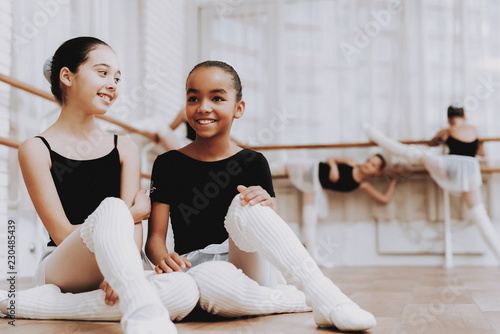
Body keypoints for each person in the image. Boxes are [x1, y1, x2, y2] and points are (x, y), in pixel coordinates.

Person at [146, 60, 377, 332]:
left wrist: (265, 204)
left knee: (247, 204)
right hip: (195, 269)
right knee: (208, 281)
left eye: (217, 97)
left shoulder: (253, 162)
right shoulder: (167, 163)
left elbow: (269, 226)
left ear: (238, 108)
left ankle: (328, 297)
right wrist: (163, 258)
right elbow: (155, 239)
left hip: (248, 265)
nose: (203, 107)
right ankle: (296, 300)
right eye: (193, 98)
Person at [0, 37, 198, 334]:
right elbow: (63, 233)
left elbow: (133, 236)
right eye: (103, 73)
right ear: (67, 76)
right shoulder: (35, 148)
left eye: (117, 77)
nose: (113, 84)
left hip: (117, 265)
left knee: (183, 291)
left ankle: (39, 305)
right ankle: (141, 311)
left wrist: (122, 270)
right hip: (63, 265)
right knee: (113, 208)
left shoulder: (125, 147)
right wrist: (129, 214)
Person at [363, 105, 500, 262]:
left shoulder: (447, 130)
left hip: (448, 166)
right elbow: (482, 153)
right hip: (469, 169)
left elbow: (432, 143)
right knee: (479, 214)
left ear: (449, 119)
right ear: (465, 117)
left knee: (411, 152)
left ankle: (373, 133)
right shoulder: (474, 129)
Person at [284, 154, 397, 254]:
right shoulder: (352, 162)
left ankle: (311, 256)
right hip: (312, 168)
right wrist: (333, 167)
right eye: (368, 161)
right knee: (280, 168)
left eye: (373, 165)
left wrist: (393, 182)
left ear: (377, 172)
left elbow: (384, 199)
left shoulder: (362, 185)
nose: (367, 165)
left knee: (309, 219)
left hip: (314, 186)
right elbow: (330, 158)